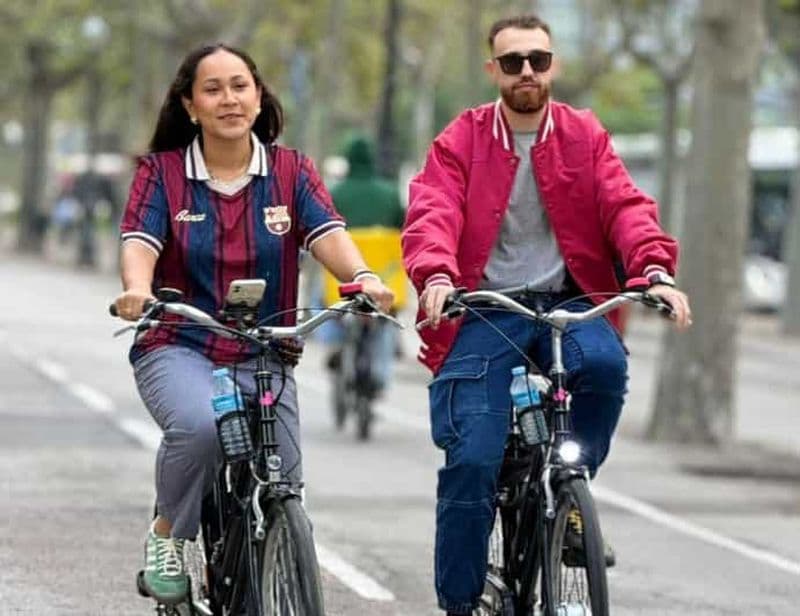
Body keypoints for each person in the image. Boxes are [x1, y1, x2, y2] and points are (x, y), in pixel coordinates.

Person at [401, 15, 692, 615]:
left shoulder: (585, 135)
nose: (527, 71)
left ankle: (570, 497)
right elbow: (433, 211)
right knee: (473, 459)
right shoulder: (462, 139)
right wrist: (434, 273)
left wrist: (654, 271)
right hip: (485, 308)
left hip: (570, 301)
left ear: (553, 64)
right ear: (494, 72)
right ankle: (459, 601)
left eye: (538, 58)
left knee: (605, 370)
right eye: (513, 62)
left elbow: (625, 207)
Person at [112, 43, 393, 605]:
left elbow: (327, 234)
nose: (228, 99)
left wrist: (361, 277)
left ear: (258, 97)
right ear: (190, 105)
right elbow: (140, 241)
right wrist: (138, 290)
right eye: (212, 89)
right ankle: (168, 533)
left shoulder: (291, 171)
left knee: (284, 484)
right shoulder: (161, 174)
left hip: (266, 349)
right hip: (180, 342)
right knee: (199, 426)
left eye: (239, 86)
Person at [325, 135, 406, 394]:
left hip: (344, 279)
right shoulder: (391, 193)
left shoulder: (335, 193)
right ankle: (380, 375)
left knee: (330, 305)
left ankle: (335, 345)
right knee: (386, 317)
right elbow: (403, 228)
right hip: (385, 276)